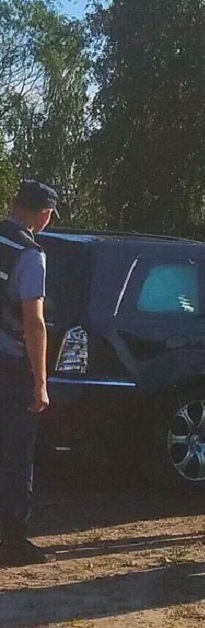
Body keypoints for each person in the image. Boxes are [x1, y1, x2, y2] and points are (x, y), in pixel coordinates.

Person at [0, 179, 58, 566]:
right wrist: (40, 381)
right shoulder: (30, 253)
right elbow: (34, 321)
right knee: (16, 452)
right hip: (10, 364)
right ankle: (14, 542)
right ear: (44, 214)